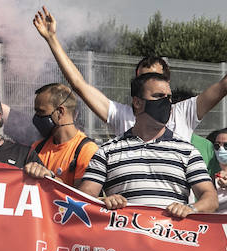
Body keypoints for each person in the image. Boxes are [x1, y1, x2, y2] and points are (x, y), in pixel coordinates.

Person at [33, 6, 227, 158]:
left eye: (159, 81)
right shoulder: (121, 115)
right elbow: (79, 85)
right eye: (145, 80)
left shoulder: (184, 112)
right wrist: (52, 40)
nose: (155, 89)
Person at [77, 72, 218, 216]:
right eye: (158, 96)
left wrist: (191, 209)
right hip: (124, 236)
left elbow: (210, 198)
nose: (166, 102)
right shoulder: (107, 151)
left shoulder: (187, 151)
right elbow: (83, 197)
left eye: (169, 98)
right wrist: (103, 201)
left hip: (169, 236)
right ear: (137, 102)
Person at [29, 82, 98, 186]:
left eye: (41, 112)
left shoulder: (86, 150)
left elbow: (81, 198)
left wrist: (51, 178)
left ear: (60, 112)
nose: (36, 117)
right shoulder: (37, 147)